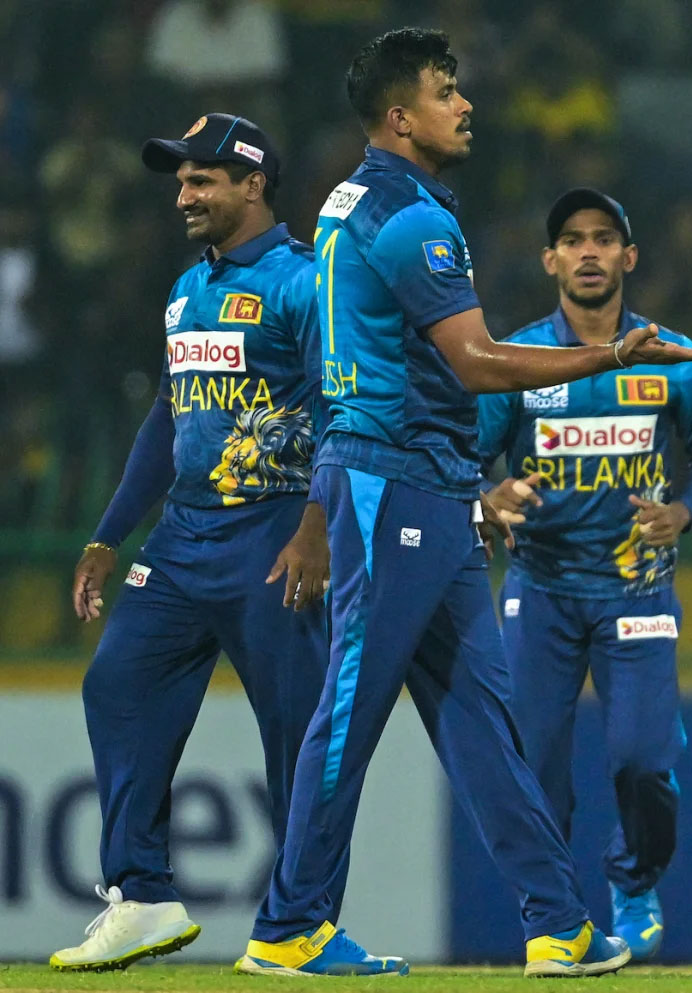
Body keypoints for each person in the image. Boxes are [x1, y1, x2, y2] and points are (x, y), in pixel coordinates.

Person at [237, 29, 692, 979]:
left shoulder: (351, 200)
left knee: (481, 720)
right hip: (397, 480)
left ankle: (558, 921)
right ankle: (291, 920)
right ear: (399, 117)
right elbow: (476, 362)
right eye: (445, 91)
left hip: (427, 480)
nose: (465, 105)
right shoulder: (411, 217)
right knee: (351, 703)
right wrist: (608, 353)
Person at [53, 114, 343, 971]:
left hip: (274, 528)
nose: (183, 194)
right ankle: (141, 895)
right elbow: (166, 416)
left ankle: (303, 923)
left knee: (296, 731)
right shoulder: (187, 288)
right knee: (117, 684)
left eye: (202, 179)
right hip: (182, 535)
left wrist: (317, 527)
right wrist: (109, 533)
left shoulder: (304, 283)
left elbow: (343, 410)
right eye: (180, 181)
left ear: (254, 183)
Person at [477, 188, 692, 960]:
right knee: (533, 767)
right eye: (571, 239)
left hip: (638, 589)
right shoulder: (520, 358)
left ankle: (635, 878)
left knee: (642, 759)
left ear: (629, 256)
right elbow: (466, 457)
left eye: (602, 238)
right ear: (549, 260)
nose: (587, 251)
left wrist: (683, 512)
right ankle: (556, 914)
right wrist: (489, 496)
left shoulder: (669, 356)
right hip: (540, 588)